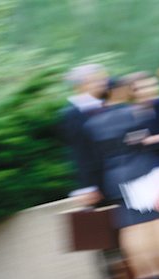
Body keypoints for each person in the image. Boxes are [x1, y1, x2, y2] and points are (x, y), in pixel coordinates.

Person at [82, 74, 159, 279]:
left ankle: (145, 275)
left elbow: (94, 157)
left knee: (129, 225)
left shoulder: (92, 123)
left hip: (114, 177)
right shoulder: (136, 112)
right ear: (119, 91)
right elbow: (144, 141)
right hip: (142, 170)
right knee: (158, 220)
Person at [61, 64, 108, 204]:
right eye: (96, 80)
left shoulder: (105, 106)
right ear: (81, 85)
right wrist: (88, 186)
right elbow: (80, 152)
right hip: (97, 185)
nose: (102, 83)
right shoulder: (72, 114)